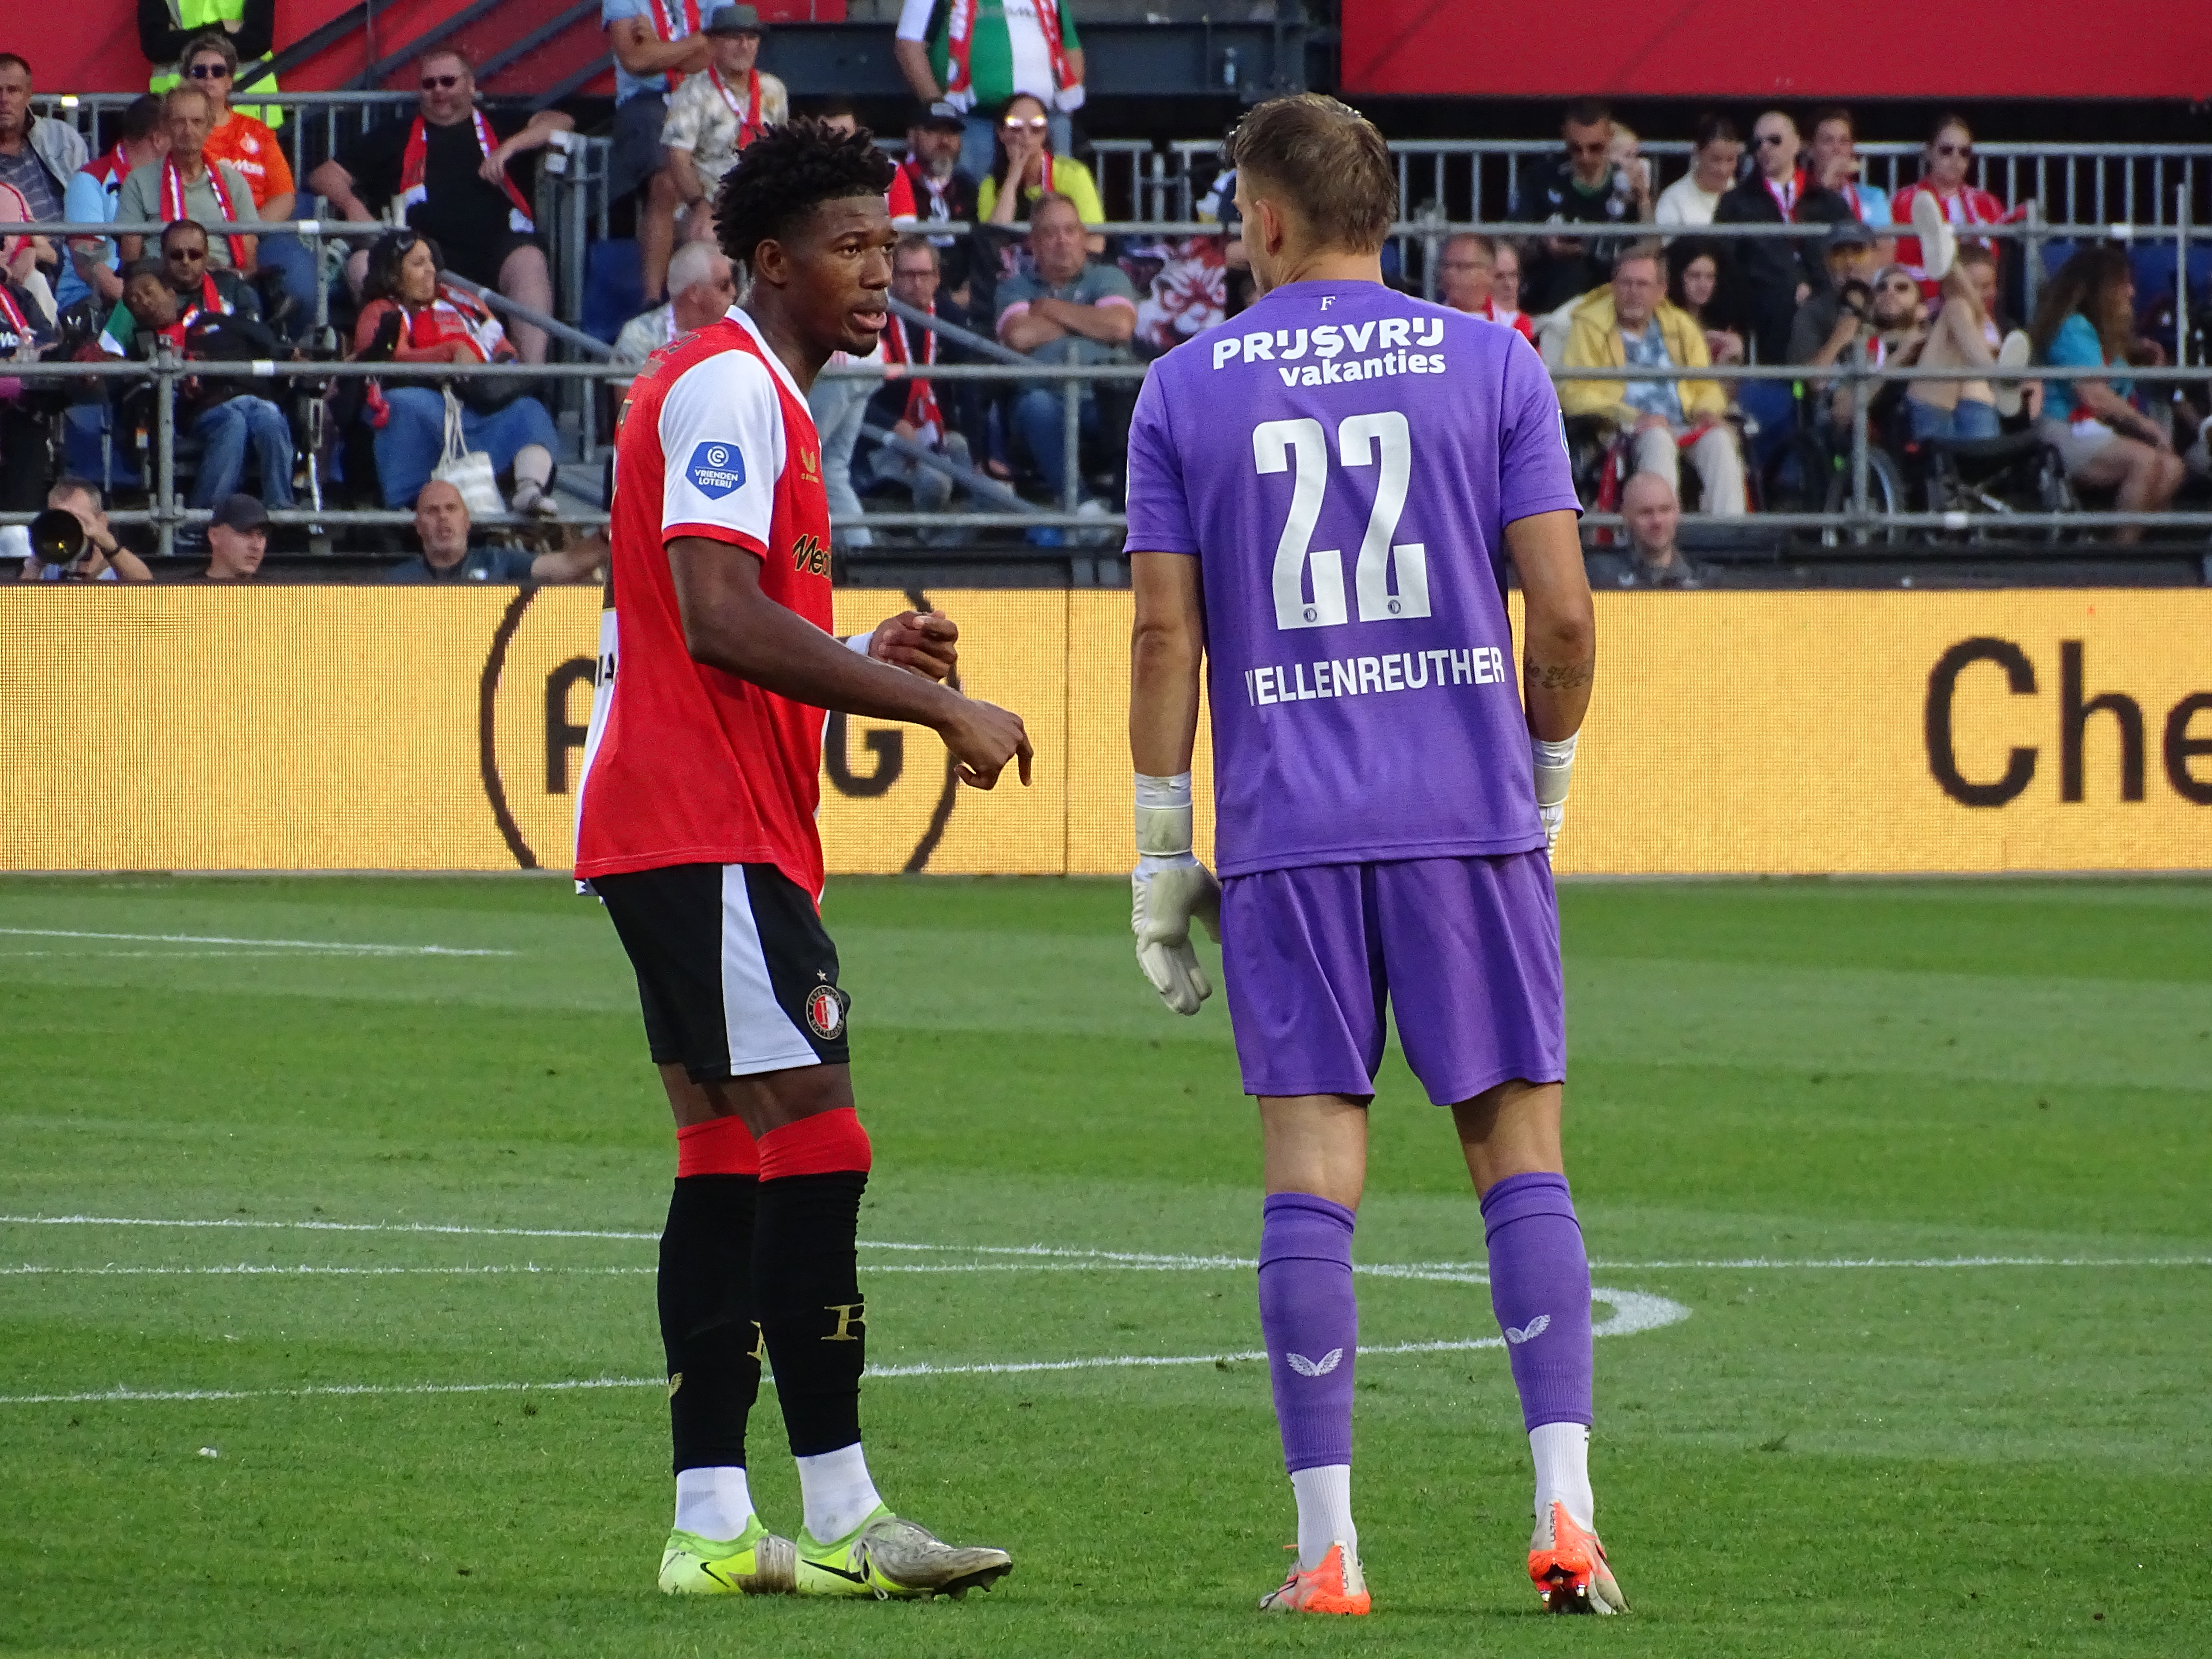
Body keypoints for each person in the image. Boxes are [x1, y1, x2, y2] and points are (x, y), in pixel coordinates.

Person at [1123, 89, 1615, 1621]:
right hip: (1464, 816)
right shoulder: (1491, 360)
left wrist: (1158, 849)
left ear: (1266, 218)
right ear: (1383, 213)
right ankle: (1566, 1517)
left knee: (1312, 1182)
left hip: (1289, 835)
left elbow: (1163, 631)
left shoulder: (1184, 388)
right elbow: (1569, 614)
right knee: (1516, 1161)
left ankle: (1330, 1548)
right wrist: (1539, 782)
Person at [571, 115, 1030, 1602]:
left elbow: (719, 619)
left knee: (723, 1148)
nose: (881, 271)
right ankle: (842, 1507)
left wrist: (853, 646)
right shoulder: (728, 386)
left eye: (890, 244)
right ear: (769, 260)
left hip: (687, 818)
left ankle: (712, 1522)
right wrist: (936, 699)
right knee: (817, 1124)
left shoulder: (760, 400)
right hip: (700, 821)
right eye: (850, 244)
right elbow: (708, 610)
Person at [308, 49, 573, 364]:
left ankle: (529, 377)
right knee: (362, 264)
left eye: (448, 82)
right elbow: (324, 176)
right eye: (429, 84)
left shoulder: (502, 125)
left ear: (471, 86)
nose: (438, 91)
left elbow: (561, 121)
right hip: (418, 256)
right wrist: (351, 205)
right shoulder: (394, 135)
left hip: (494, 253)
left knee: (530, 260)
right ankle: (397, 367)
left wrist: (509, 149)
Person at [350, 229, 561, 514]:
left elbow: (504, 349)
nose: (430, 271)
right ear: (392, 275)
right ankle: (412, 504)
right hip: (423, 394)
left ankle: (529, 490)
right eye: (418, 264)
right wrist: (449, 354)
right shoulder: (380, 311)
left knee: (528, 410)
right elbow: (385, 359)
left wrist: (488, 369)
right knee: (404, 406)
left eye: (431, 262)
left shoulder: (463, 301)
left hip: (479, 396)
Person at [1560, 241, 1745, 516]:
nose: (1633, 293)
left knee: (1719, 439)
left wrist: (1706, 410)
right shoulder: (1590, 325)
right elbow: (1572, 392)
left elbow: (1704, 384)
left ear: (1661, 291)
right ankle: (1659, 540)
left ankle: (1730, 541)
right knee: (1657, 437)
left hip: (1684, 424)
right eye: (1626, 284)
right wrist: (1632, 417)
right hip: (1622, 429)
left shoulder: (1681, 326)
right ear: (1613, 285)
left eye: (1642, 285)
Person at [117, 256, 294, 518]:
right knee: (233, 420)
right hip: (201, 411)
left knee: (267, 414)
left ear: (170, 294)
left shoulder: (215, 321)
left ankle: (280, 510)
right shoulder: (144, 346)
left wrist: (291, 354)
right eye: (134, 301)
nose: (144, 302)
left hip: (250, 395)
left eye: (148, 293)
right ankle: (204, 520)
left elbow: (267, 341)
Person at [995, 192, 1135, 517]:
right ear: (1033, 242)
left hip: (1102, 401)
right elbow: (1019, 335)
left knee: (1135, 412)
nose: (1063, 241)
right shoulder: (1014, 288)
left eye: (1071, 231)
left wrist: (1051, 309)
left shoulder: (1109, 277)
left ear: (1084, 237)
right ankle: (1084, 507)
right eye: (1051, 233)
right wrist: (1087, 318)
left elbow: (1118, 327)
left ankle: (1129, 514)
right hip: (1046, 401)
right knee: (1035, 406)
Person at [2032, 243, 2183, 544]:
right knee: (2145, 461)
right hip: (2064, 429)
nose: (2131, 293)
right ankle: (2119, 557)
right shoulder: (2071, 328)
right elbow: (2094, 395)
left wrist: (2139, 355)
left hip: (2101, 433)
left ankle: (2125, 540)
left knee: (2174, 468)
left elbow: (2116, 375)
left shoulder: (2105, 333)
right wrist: (2146, 426)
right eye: (2124, 285)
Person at [174, 32, 316, 328]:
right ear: (187, 79)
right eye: (199, 72)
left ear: (230, 80)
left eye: (218, 71)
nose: (208, 78)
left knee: (301, 289)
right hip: (205, 234)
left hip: (262, 232)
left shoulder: (259, 132)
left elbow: (285, 196)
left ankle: (283, 351)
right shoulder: (180, 135)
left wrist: (248, 232)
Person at [651, 5, 787, 305]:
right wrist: (699, 203)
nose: (744, 46)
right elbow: (678, 156)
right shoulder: (693, 92)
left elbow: (781, 151)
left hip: (760, 197)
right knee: (708, 236)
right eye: (734, 38)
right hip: (711, 199)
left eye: (751, 38)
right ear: (714, 44)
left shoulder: (773, 90)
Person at [894, 0, 1085, 183]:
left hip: (1043, 123)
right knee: (973, 202)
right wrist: (941, 115)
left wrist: (1065, 108)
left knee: (1054, 202)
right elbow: (909, 45)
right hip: (972, 121)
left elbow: (1070, 49)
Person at [1713, 110, 1847, 365]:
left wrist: (1813, 287)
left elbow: (1851, 255)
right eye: (1757, 143)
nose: (1764, 148)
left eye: (1775, 140)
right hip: (1765, 322)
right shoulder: (1735, 204)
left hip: (1824, 315)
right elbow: (1727, 267)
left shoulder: (1828, 202)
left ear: (1797, 144)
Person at [602, 0, 714, 310]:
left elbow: (715, 56)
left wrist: (658, 48)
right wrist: (696, 41)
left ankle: (713, 296)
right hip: (646, 101)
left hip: (707, 97)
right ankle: (652, 301)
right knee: (666, 184)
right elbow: (635, 61)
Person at [862, 234, 970, 521]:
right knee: (935, 482)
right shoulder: (871, 318)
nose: (917, 284)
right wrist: (892, 424)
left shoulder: (949, 316)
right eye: (908, 275)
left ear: (937, 278)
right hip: (883, 436)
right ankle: (926, 545)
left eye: (924, 275)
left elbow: (973, 385)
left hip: (940, 431)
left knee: (972, 464)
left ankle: (944, 542)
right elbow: (855, 394)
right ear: (892, 277)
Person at [1510, 99, 1642, 316]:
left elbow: (1652, 248)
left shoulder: (1626, 181)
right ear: (1564, 137)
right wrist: (1543, 244)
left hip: (1612, 296)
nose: (1585, 157)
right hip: (1551, 295)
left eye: (1595, 148)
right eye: (1576, 148)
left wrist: (1644, 199)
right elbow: (1514, 241)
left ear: (1610, 136)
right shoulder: (1541, 177)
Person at [116, 85, 258, 273]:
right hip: (161, 284)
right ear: (166, 126)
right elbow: (131, 263)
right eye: (179, 122)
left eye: (197, 122)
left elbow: (249, 263)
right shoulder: (138, 181)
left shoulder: (234, 182)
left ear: (210, 127)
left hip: (222, 281)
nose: (188, 130)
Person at [381, 477, 609, 583]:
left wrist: (606, 538)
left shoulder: (498, 561)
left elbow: (564, 565)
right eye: (432, 511)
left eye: (451, 509)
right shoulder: (400, 579)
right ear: (418, 526)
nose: (443, 517)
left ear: (467, 521)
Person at [61, 94, 167, 310]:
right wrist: (140, 303)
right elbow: (88, 263)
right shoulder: (91, 180)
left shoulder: (175, 180)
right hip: (93, 302)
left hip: (154, 298)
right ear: (158, 139)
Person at [1892, 115, 2008, 291]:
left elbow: (1997, 262)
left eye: (1964, 153)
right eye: (1947, 150)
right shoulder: (1905, 200)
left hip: (1979, 299)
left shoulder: (1987, 203)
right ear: (1929, 153)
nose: (1956, 159)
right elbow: (1902, 261)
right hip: (1925, 299)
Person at [0, 52, 87, 287]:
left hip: (75, 258)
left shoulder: (60, 137)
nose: (4, 100)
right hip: (14, 267)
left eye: (13, 90)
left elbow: (89, 203)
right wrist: (31, 251)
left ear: (29, 95)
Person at [979, 93, 1104, 236]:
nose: (1027, 135)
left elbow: (1096, 240)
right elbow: (994, 240)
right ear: (1001, 133)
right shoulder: (990, 185)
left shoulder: (1073, 174)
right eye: (1016, 126)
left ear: (1045, 132)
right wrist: (1013, 178)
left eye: (1037, 126)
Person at [139, 0, 279, 116]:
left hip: (251, 110)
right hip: (178, 113)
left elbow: (257, 42)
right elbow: (155, 47)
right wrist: (221, 27)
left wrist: (180, 37)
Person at [614, 240, 737, 369]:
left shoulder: (740, 331)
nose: (734, 292)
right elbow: (630, 389)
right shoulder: (641, 335)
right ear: (695, 293)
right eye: (724, 286)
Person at [17, 477, 152, 581]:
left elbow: (147, 591)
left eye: (75, 519)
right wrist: (38, 561)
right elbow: (18, 608)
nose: (67, 527)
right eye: (60, 519)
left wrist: (109, 546)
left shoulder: (118, 569)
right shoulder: (50, 569)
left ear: (102, 521)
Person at [1588, 472, 1700, 588]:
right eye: (1646, 512)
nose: (1657, 521)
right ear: (1626, 517)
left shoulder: (1709, 581)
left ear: (1678, 512)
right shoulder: (1600, 577)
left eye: (1665, 510)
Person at [1654, 113, 1740, 232]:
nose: (1723, 170)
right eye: (1716, 160)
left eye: (1730, 160)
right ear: (1698, 153)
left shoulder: (1746, 197)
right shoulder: (1673, 199)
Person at [1666, 237, 1743, 365]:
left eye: (1710, 277)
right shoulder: (1663, 321)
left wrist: (1729, 357)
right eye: (1695, 276)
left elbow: (1726, 385)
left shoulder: (1722, 327)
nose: (1703, 285)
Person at [1808, 107, 1889, 227]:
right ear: (1812, 150)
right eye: (1828, 141)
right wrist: (1826, 188)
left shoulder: (1873, 196)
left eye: (1844, 141)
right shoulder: (1799, 197)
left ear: (1852, 149)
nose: (1837, 149)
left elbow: (1886, 245)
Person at [201, 489, 268, 579]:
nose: (256, 546)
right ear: (214, 536)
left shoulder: (278, 591)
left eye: (261, 535)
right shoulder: (185, 591)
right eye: (246, 533)